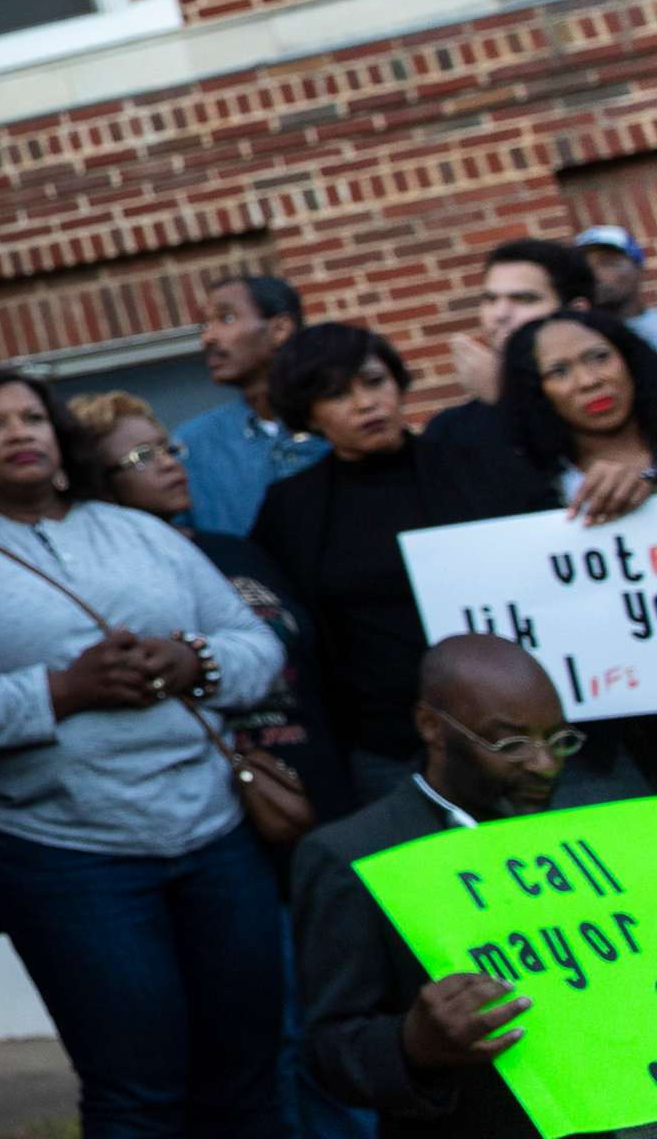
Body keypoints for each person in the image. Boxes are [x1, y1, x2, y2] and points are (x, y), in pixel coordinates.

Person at [0, 367, 288, 1139]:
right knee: (137, 1093)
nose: (20, 433)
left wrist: (192, 662)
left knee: (245, 1081)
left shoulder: (140, 532)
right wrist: (63, 690)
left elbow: (257, 646)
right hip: (66, 854)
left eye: (32, 417)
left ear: (62, 439)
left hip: (215, 839)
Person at [72, 391, 364, 1139]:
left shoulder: (235, 549)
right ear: (98, 482)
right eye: (141, 458)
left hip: (318, 806)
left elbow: (307, 662)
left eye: (169, 447)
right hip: (229, 825)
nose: (169, 463)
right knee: (281, 1035)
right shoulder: (113, 582)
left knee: (348, 1016)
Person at [292, 635, 585, 1139]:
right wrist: (413, 1045)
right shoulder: (357, 855)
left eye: (559, 739)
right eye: (510, 743)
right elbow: (329, 1052)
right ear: (432, 727)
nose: (544, 763)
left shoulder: (596, 823)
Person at [251, 326, 549, 805]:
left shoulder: (480, 468)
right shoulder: (291, 510)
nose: (366, 403)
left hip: (516, 734)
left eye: (374, 381)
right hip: (385, 748)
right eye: (337, 394)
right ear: (308, 413)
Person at [493, 311, 657, 802]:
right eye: (559, 372)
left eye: (598, 357)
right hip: (613, 749)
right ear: (536, 392)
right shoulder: (524, 492)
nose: (589, 381)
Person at [174, 275, 327, 536]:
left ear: (279, 329)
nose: (207, 337)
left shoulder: (339, 423)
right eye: (204, 325)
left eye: (227, 318)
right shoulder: (191, 446)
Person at [426, 238, 593, 452]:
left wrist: (503, 398)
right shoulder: (449, 430)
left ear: (576, 311)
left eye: (525, 299)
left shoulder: (614, 391)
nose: (500, 314)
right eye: (491, 299)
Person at [574, 224, 657, 350]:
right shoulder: (577, 338)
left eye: (607, 263)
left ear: (638, 267)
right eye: (585, 268)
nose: (595, 275)